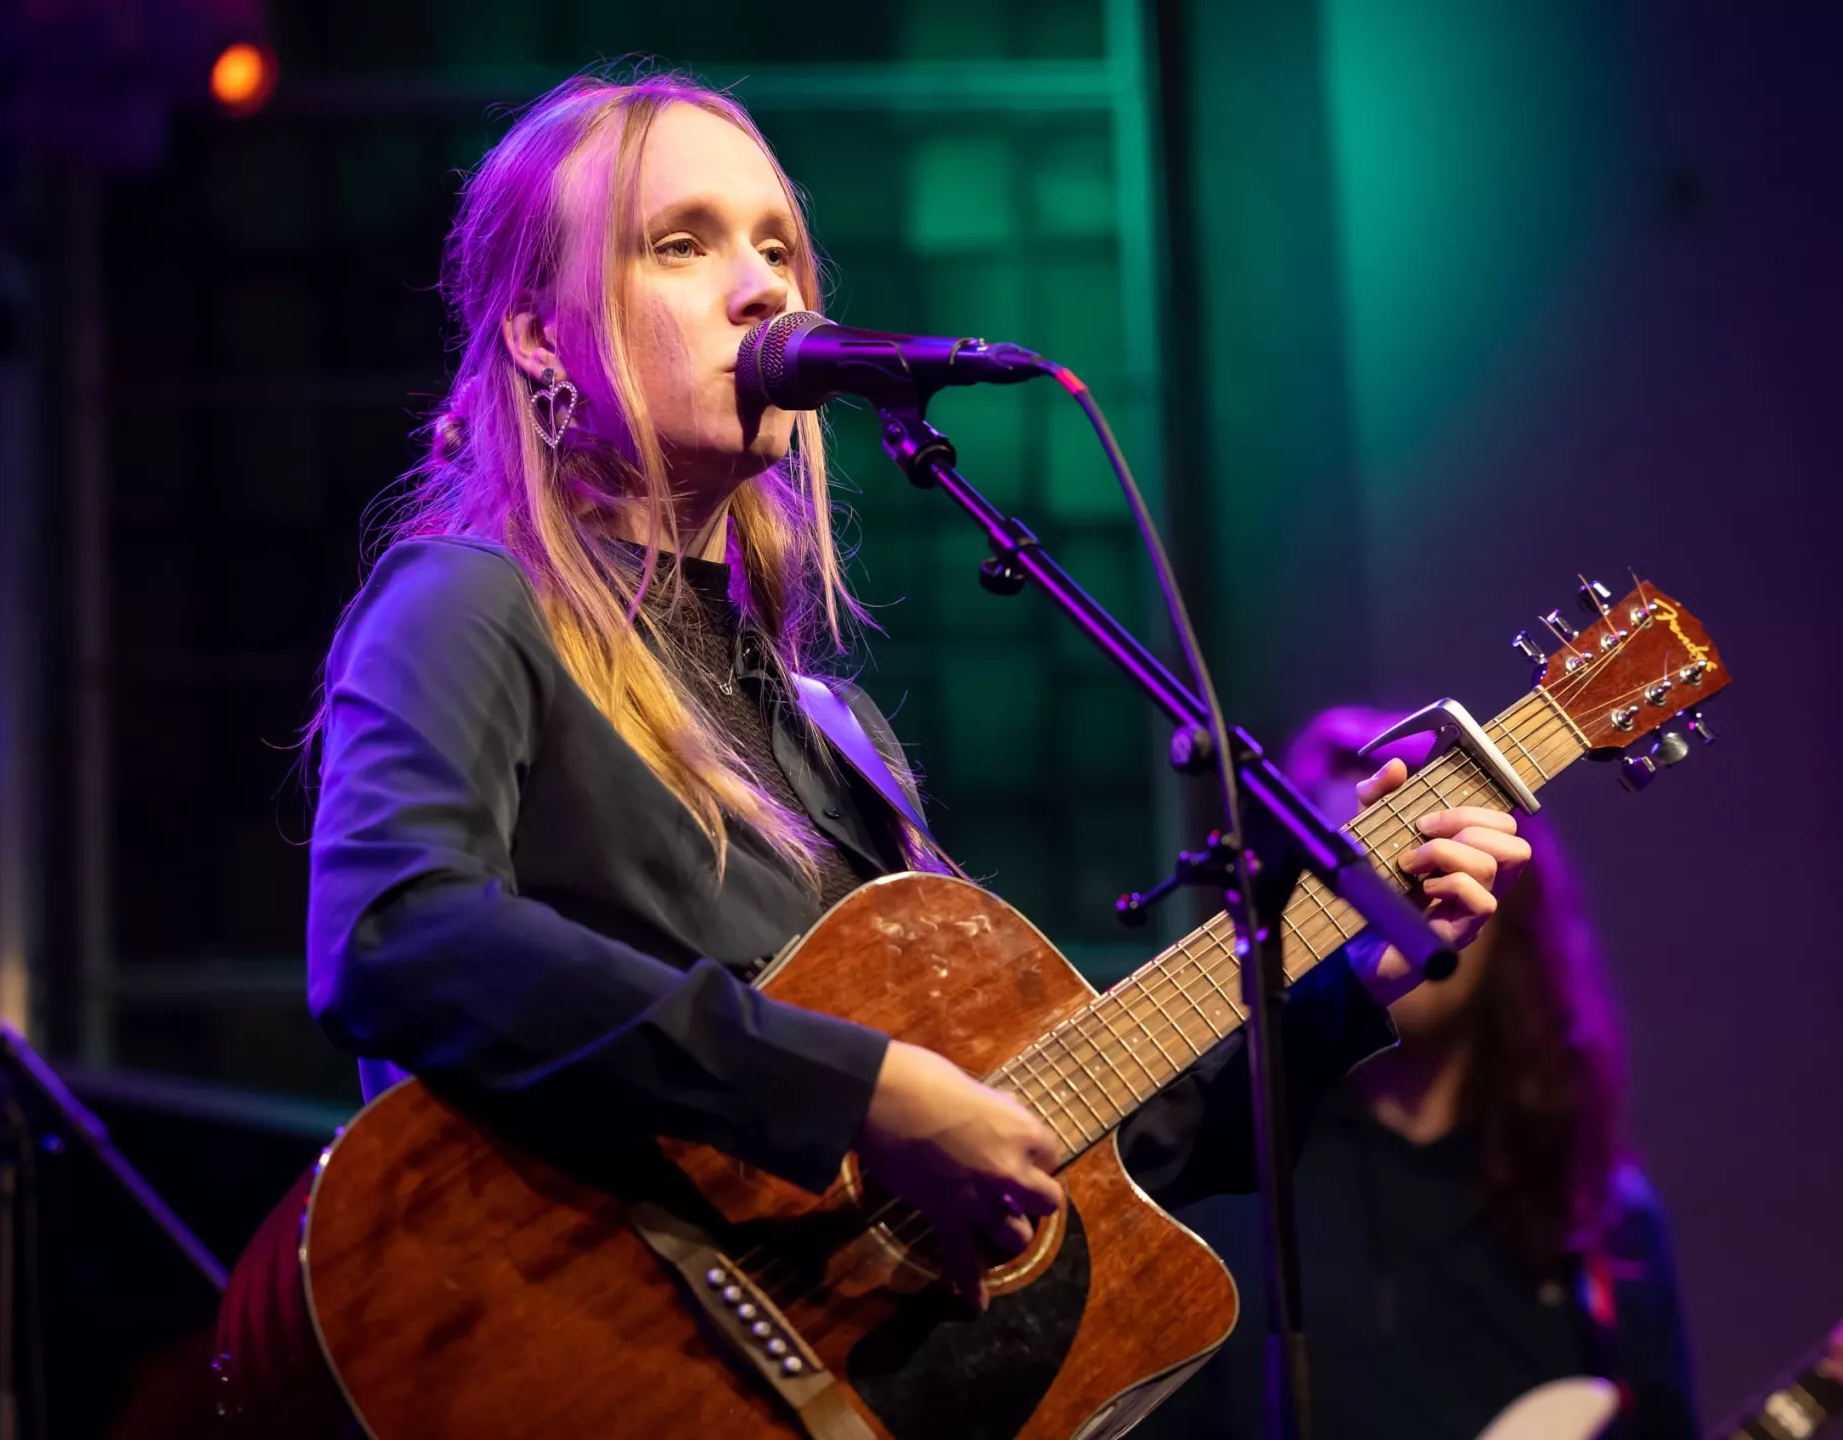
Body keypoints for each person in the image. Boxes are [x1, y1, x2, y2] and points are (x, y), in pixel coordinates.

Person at [300, 69, 1528, 1372]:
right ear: (542, 338)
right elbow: (395, 932)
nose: (766, 285)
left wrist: (1344, 987)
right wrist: (857, 1093)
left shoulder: (835, 737)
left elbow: (1058, 1133)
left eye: (779, 246)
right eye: (682, 244)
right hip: (577, 1361)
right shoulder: (472, 602)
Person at [1139, 706, 1696, 1440]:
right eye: (1355, 876)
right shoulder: (1223, 1179)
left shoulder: (1602, 1216)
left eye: (1431, 859)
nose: (1402, 895)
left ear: (1512, 909)